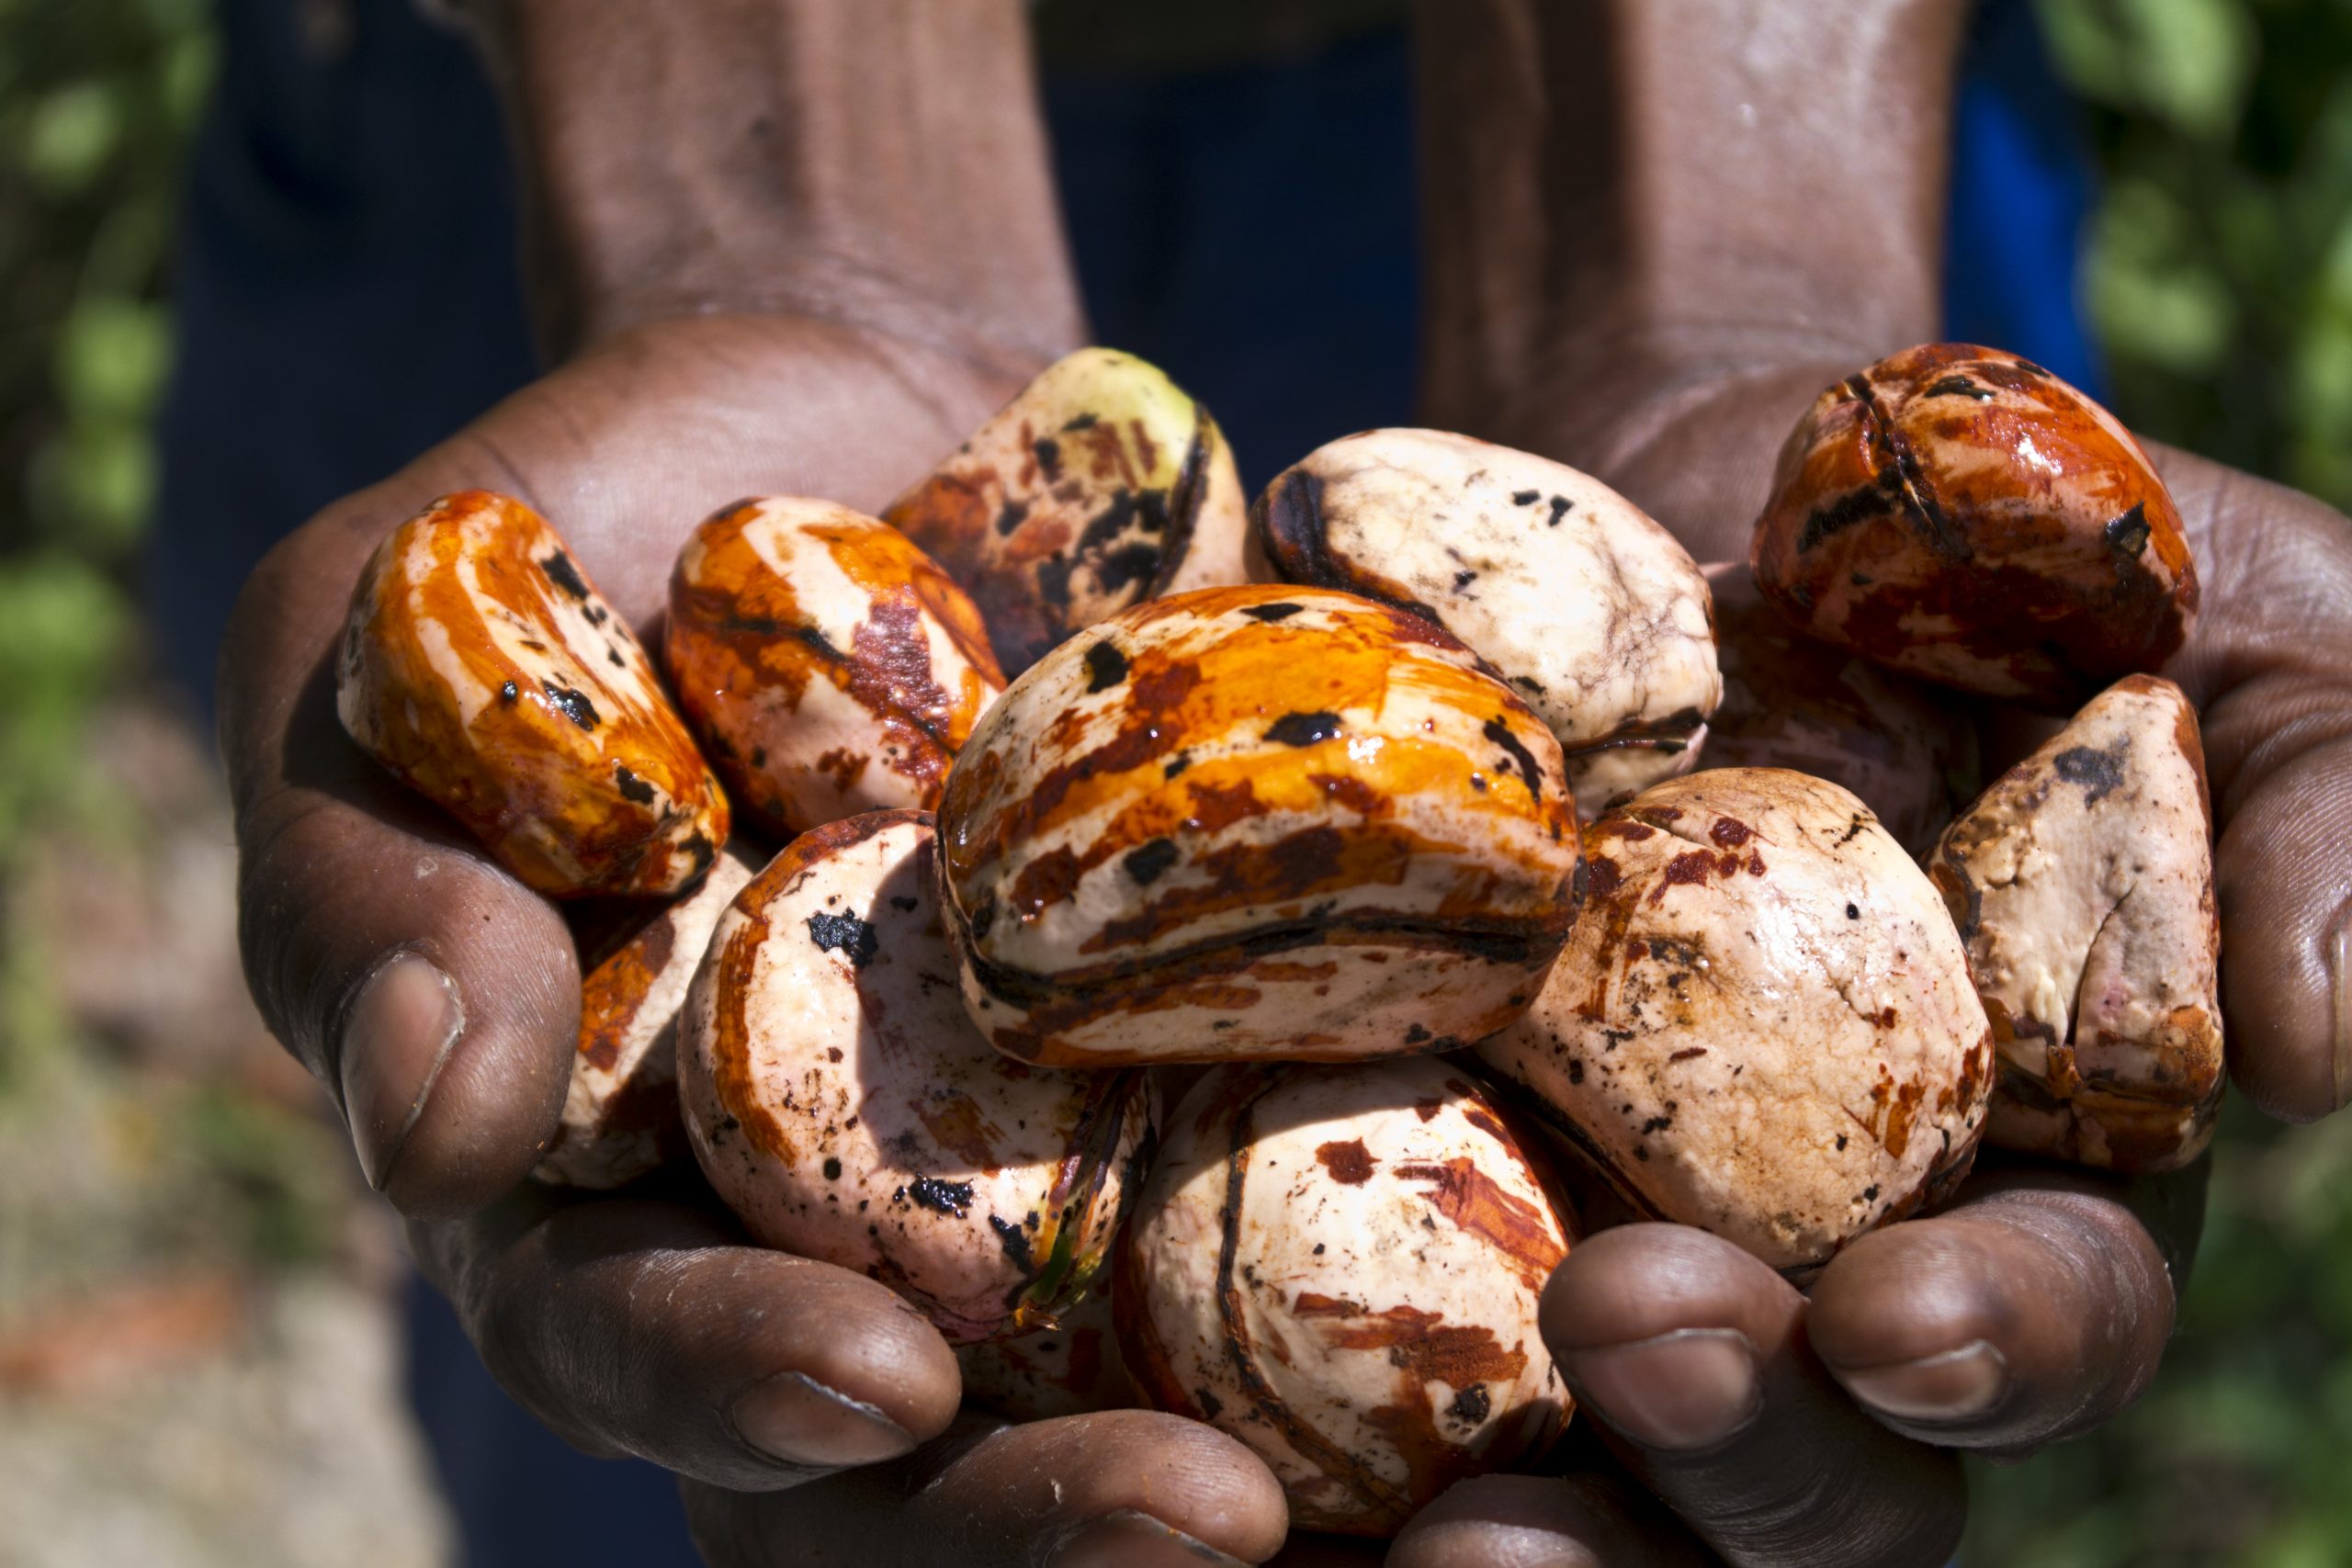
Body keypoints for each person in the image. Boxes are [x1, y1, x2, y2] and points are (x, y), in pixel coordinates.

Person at [203, 2, 2352, 1563]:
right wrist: (782, 238)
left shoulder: (1665, 716)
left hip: (1742, 73)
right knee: (670, 1456)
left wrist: (1719, 283)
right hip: (589, 79)